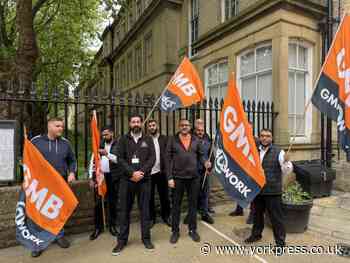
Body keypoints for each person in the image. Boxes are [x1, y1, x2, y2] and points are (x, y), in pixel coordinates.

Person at [30, 117, 77, 258]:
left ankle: (59, 235)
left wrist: (72, 172)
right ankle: (38, 242)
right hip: (40, 184)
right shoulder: (36, 141)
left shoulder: (65, 143)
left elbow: (72, 160)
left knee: (57, 210)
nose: (61, 129)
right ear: (49, 126)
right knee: (39, 212)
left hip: (60, 182)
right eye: (58, 126)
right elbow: (28, 159)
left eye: (62, 126)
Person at [112, 114, 156, 255]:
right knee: (124, 211)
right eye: (133, 121)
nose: (136, 124)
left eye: (138, 121)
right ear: (129, 124)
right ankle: (121, 241)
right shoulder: (123, 139)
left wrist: (141, 172)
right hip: (127, 181)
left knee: (145, 210)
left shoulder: (148, 139)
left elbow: (152, 158)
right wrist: (132, 173)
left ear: (141, 123)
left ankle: (146, 239)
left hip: (144, 180)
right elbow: (120, 159)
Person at [244, 129, 293, 250]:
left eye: (268, 136)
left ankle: (280, 243)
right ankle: (256, 235)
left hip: (272, 190)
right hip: (258, 189)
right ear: (259, 137)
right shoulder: (254, 150)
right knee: (257, 215)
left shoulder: (279, 152)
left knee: (276, 218)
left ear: (271, 138)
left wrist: (287, 162)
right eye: (262, 136)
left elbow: (287, 170)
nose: (265, 138)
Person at [166, 119, 211, 244]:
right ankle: (175, 231)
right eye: (182, 125)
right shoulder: (172, 139)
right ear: (179, 126)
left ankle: (192, 230)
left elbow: (201, 155)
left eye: (187, 125)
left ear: (190, 127)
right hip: (177, 177)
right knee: (176, 206)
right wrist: (169, 177)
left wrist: (205, 162)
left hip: (193, 177)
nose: (185, 127)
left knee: (193, 205)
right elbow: (167, 159)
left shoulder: (196, 140)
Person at [88, 126, 120, 240]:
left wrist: (107, 154)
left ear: (112, 133)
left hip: (113, 177)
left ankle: (112, 226)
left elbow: (119, 160)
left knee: (112, 202)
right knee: (98, 203)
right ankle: (98, 227)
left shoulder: (118, 144)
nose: (104, 137)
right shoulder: (98, 145)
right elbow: (93, 161)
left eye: (106, 134)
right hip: (100, 176)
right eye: (103, 135)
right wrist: (91, 178)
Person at [147, 119, 171, 227]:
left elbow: (168, 155)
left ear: (157, 126)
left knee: (164, 196)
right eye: (150, 126)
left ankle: (166, 216)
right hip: (149, 173)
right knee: (149, 197)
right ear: (148, 128)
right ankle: (152, 218)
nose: (152, 127)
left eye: (153, 125)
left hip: (161, 172)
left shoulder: (164, 139)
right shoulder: (145, 140)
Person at [193, 120, 214, 224]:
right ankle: (192, 213)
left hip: (205, 171)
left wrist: (210, 168)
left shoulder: (208, 138)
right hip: (194, 170)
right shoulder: (191, 138)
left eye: (202, 129)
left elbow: (211, 155)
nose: (200, 131)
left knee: (205, 193)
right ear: (195, 128)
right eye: (198, 129)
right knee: (193, 193)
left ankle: (205, 213)